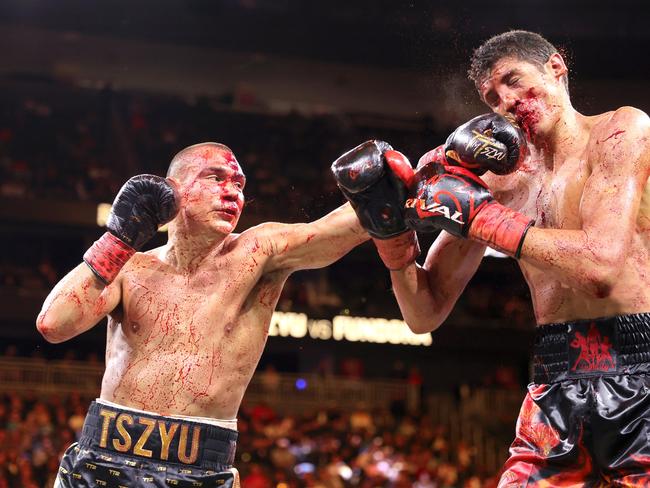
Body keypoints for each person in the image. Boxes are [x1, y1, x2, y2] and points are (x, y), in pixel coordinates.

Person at [333, 30, 650, 485]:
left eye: (514, 80)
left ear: (556, 67)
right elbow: (424, 313)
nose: (506, 101)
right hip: (552, 380)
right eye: (492, 96)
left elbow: (598, 267)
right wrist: (393, 241)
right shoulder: (501, 184)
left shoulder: (619, 131)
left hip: (641, 370)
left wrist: (480, 217)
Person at [37, 142, 373, 487]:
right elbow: (54, 324)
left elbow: (337, 229)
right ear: (174, 189)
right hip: (102, 460)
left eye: (239, 185)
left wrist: (399, 191)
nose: (233, 193)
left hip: (199, 469)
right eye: (217, 178)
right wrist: (118, 240)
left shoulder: (258, 252)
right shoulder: (130, 267)